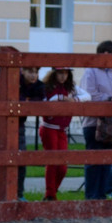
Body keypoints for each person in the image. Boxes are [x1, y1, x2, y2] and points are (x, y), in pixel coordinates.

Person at [80, 40, 112, 200]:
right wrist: (110, 98)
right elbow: (88, 95)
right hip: (94, 123)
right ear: (105, 55)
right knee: (93, 161)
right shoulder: (90, 72)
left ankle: (103, 195)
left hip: (111, 123)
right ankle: (92, 196)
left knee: (107, 160)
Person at [38, 66, 77, 200]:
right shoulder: (46, 87)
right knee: (52, 162)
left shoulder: (70, 88)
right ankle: (50, 194)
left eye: (66, 73)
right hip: (49, 128)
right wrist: (60, 97)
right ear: (54, 73)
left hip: (62, 130)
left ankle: (52, 192)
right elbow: (45, 104)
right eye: (60, 73)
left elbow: (87, 96)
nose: (63, 76)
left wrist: (74, 100)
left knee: (62, 167)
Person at [16, 65, 46, 198]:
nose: (33, 75)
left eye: (36, 72)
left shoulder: (39, 86)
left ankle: (19, 193)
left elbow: (40, 101)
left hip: (20, 123)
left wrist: (26, 101)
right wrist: (26, 101)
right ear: (22, 71)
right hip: (3, 123)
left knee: (21, 159)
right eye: (30, 71)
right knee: (7, 159)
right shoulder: (14, 81)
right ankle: (8, 193)